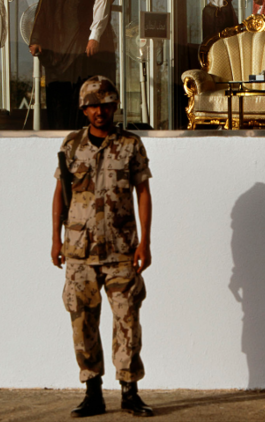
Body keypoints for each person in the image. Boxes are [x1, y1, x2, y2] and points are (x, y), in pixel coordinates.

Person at [51, 76, 154, 418]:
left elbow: (143, 193)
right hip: (79, 250)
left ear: (115, 106)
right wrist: (55, 239)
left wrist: (145, 243)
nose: (100, 110)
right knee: (82, 322)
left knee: (128, 321)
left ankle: (129, 390)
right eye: (93, 105)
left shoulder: (130, 145)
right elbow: (60, 194)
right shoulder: (71, 146)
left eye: (106, 103)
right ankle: (92, 390)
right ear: (84, 109)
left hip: (122, 249)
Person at [30, 0, 116, 131]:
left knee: (84, 93)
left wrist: (94, 37)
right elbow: (45, 9)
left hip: (85, 47)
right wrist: (37, 39)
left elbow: (101, 8)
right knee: (59, 93)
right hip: (59, 47)